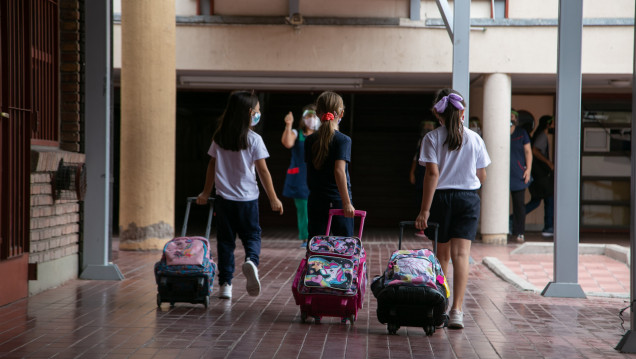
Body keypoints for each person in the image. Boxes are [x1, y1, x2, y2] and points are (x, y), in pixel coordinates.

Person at [196, 91, 284, 300]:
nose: (258, 114)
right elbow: (263, 171)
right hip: (247, 201)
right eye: (257, 111)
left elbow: (211, 165)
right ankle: (252, 261)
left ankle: (225, 284)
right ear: (249, 113)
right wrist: (273, 198)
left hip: (224, 200)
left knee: (226, 242)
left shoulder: (220, 137)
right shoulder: (254, 139)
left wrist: (205, 192)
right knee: (252, 235)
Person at [415, 88, 491, 329]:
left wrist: (424, 210)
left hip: (440, 200)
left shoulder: (432, 138)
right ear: (462, 113)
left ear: (439, 116)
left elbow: (432, 174)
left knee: (442, 256)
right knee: (461, 256)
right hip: (468, 199)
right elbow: (482, 175)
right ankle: (457, 311)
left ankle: (440, 306)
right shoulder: (475, 139)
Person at [305, 91, 355, 239]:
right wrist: (346, 203)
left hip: (315, 200)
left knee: (316, 243)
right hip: (338, 200)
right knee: (344, 245)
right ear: (341, 113)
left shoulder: (309, 140)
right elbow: (339, 172)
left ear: (317, 113)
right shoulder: (343, 140)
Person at [281, 105, 320, 247]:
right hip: (300, 178)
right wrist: (288, 124)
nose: (312, 119)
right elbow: (287, 143)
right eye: (309, 116)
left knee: (319, 206)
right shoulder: (297, 133)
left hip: (317, 175)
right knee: (303, 207)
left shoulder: (321, 134)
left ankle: (318, 237)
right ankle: (306, 238)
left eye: (315, 115)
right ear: (304, 119)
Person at [526, 115, 555, 237]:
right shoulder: (542, 135)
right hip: (541, 174)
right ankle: (548, 227)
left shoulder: (540, 134)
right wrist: (548, 163)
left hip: (539, 174)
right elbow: (535, 150)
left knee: (537, 201)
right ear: (548, 124)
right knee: (548, 198)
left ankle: (512, 220)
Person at [409, 120, 436, 238]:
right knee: (421, 197)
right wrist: (412, 172)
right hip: (421, 172)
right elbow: (416, 158)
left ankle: (428, 226)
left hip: (432, 172)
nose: (427, 130)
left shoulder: (436, 139)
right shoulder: (423, 141)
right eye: (425, 128)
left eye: (430, 128)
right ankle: (422, 227)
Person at [509, 109, 532, 243]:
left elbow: (528, 152)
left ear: (516, 119)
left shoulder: (521, 133)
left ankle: (519, 232)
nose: (511, 118)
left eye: (513, 116)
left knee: (519, 205)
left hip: (518, 173)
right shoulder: (500, 130)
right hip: (502, 175)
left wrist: (528, 169)